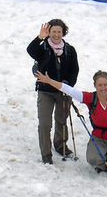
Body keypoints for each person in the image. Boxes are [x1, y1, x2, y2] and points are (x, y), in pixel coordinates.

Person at [26, 19, 79, 165]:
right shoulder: (42, 48)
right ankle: (46, 154)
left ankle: (61, 145)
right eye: (53, 31)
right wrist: (39, 37)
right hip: (45, 92)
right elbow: (30, 50)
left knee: (61, 121)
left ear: (63, 33)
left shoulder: (70, 50)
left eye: (59, 32)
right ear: (48, 32)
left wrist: (68, 85)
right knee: (45, 124)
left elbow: (74, 70)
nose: (56, 35)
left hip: (63, 92)